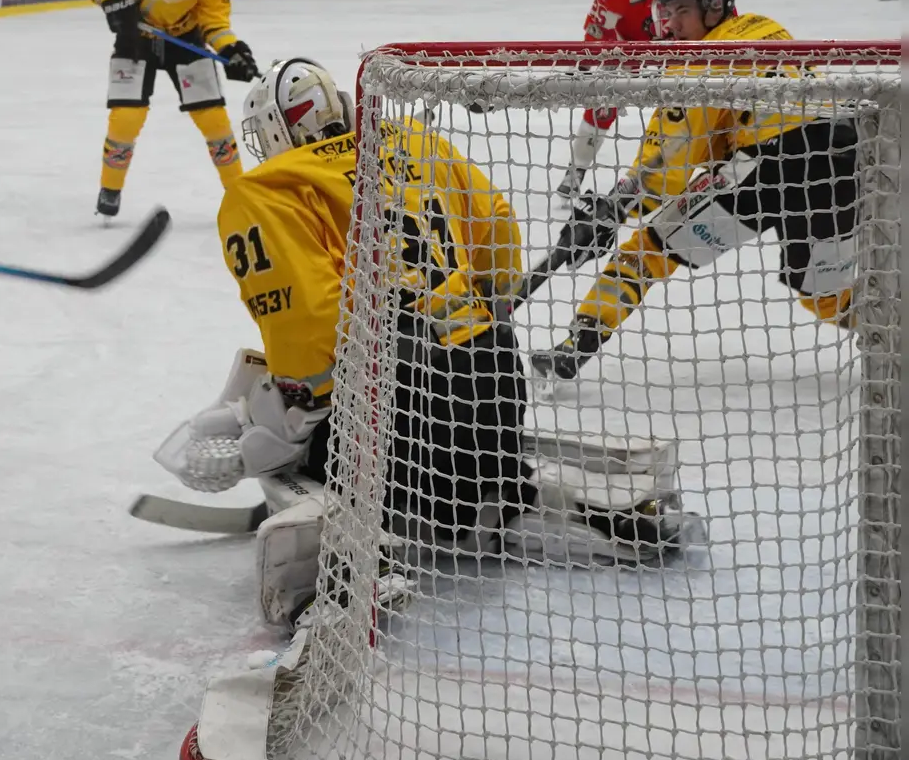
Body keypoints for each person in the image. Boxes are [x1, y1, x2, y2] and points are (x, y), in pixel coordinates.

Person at [154, 60, 699, 669]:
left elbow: (310, 316)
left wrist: (294, 412)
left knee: (312, 449)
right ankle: (560, 508)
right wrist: (482, 303)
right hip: (493, 366)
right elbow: (495, 222)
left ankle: (351, 565)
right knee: (473, 484)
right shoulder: (414, 141)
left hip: (399, 388)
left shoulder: (268, 188)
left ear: (282, 129)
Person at [531, 0, 855, 380]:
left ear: (714, 6)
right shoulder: (766, 25)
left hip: (767, 169)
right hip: (840, 160)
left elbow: (670, 158)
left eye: (681, 10)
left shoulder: (701, 59)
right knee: (825, 298)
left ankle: (578, 343)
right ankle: (890, 338)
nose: (670, 24)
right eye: (665, 11)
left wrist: (616, 206)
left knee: (647, 249)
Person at [78, 0, 259, 218]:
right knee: (125, 119)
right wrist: (113, 1)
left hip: (185, 37)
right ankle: (110, 189)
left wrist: (230, 49)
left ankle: (241, 194)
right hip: (135, 38)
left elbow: (213, 11)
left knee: (214, 120)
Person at [558, 0, 694, 200]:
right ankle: (576, 170)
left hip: (681, 56)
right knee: (601, 105)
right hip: (628, 56)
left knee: (700, 109)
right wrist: (589, 66)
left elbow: (721, 23)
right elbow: (596, 31)